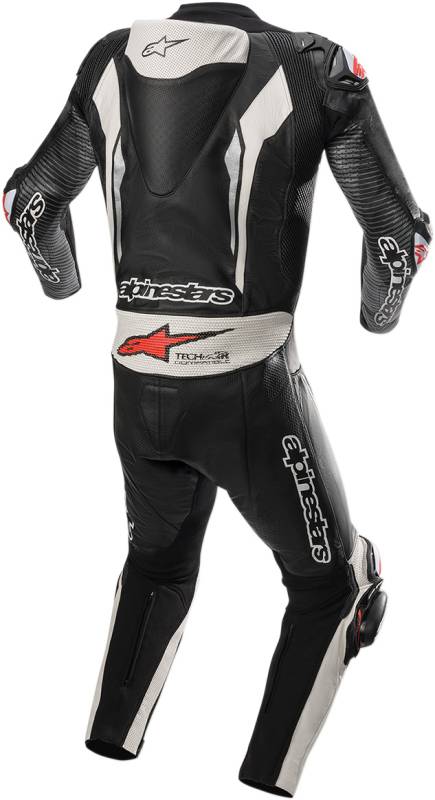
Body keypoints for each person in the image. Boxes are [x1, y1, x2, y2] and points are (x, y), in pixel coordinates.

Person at [3, 4, 431, 796]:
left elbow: (29, 203)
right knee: (336, 586)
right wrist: (377, 320)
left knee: (157, 562)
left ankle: (108, 750)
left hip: (135, 382)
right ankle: (269, 778)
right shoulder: (312, 66)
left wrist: (64, 287)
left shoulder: (109, 59)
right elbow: (397, 240)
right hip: (249, 391)